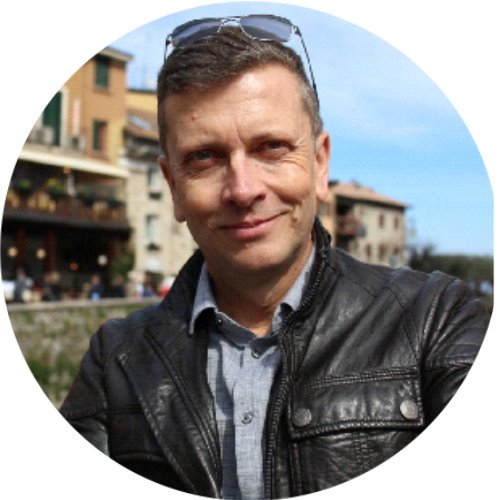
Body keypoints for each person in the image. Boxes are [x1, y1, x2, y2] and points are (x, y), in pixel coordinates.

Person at [61, 15, 488, 499]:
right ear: (173, 186)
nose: (243, 189)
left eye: (271, 148)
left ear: (320, 165)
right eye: (205, 157)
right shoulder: (115, 364)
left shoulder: (434, 323)